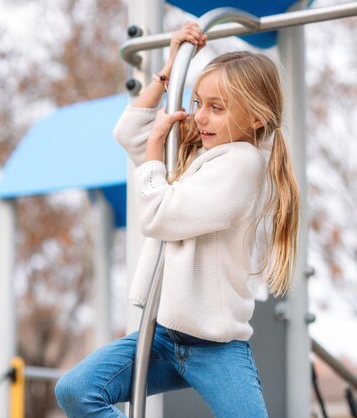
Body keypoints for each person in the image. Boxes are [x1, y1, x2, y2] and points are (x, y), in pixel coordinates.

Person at [55, 21, 299, 418]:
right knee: (77, 390)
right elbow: (130, 132)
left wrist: (155, 150)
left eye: (216, 108)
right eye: (198, 102)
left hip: (215, 347)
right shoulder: (203, 156)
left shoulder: (242, 165)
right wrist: (170, 72)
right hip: (164, 336)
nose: (200, 117)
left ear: (256, 118)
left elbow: (161, 216)